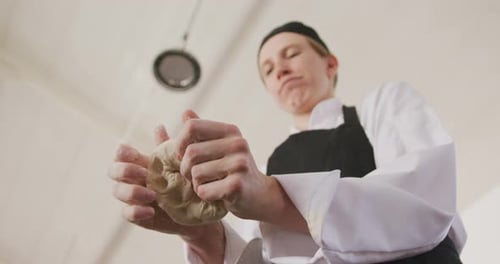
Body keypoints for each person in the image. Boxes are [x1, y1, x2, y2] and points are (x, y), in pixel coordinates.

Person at [109, 21, 466, 263]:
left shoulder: (385, 105)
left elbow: (424, 204)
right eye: (267, 69)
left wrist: (275, 200)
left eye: (291, 54)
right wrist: (204, 237)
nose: (279, 69)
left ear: (330, 63)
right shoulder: (260, 172)